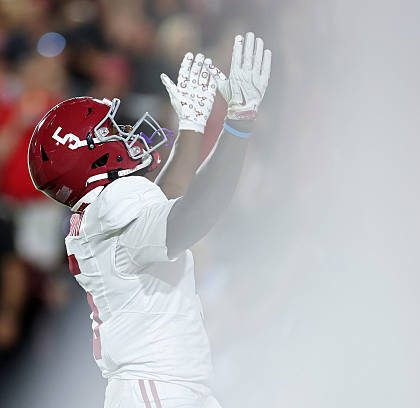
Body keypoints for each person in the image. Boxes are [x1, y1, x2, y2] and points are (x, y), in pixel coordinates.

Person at [27, 32, 271, 408]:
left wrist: (191, 126)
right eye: (107, 132)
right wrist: (238, 123)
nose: (121, 135)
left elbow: (169, 202)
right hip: (158, 389)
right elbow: (193, 215)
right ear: (85, 156)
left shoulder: (99, 213)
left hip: (157, 387)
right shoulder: (112, 206)